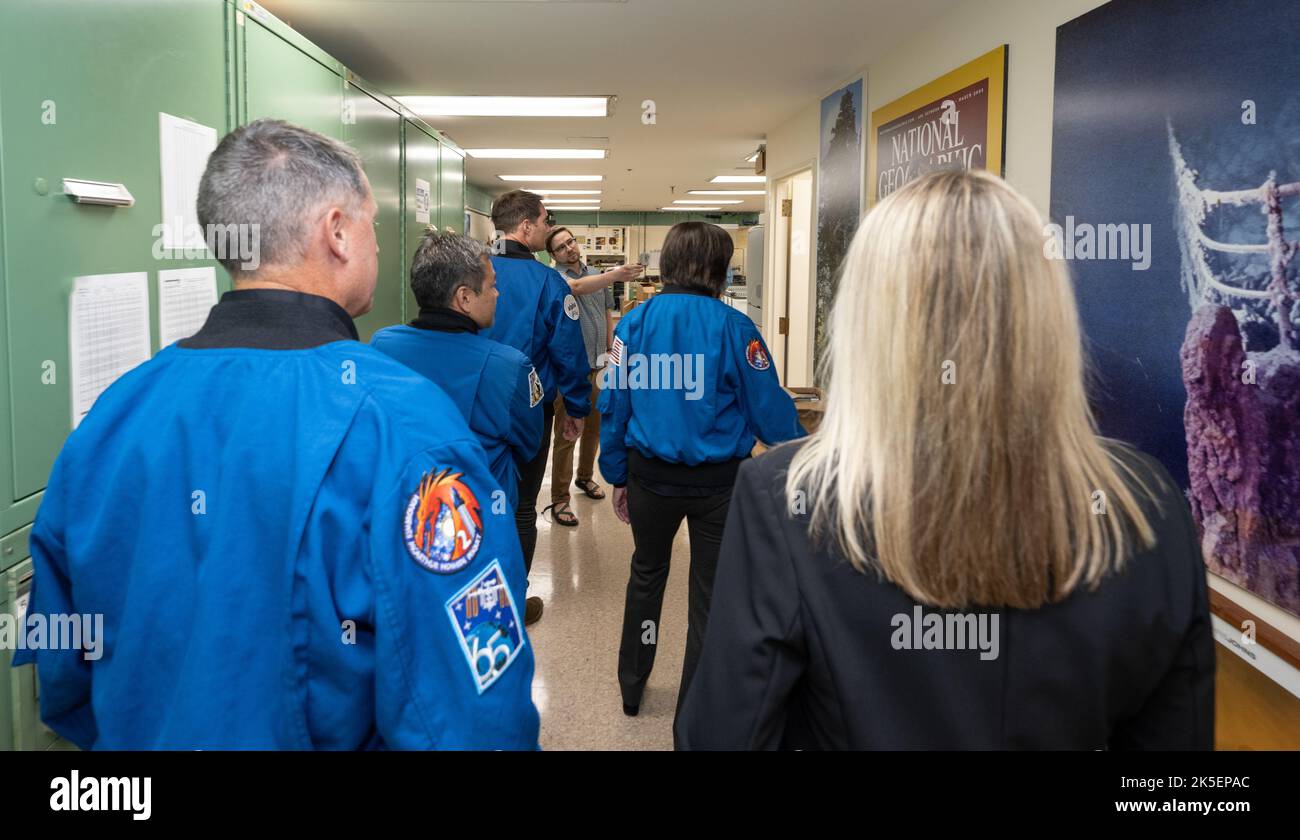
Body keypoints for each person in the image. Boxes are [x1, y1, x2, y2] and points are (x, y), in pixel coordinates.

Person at [13, 119, 539, 749]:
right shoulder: (406, 426)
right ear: (338, 232)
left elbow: (64, 674)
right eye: (371, 225)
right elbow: (475, 706)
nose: (376, 248)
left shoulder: (111, 416)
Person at [676, 170, 1215, 750]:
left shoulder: (789, 497)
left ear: (864, 320)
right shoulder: (1143, 502)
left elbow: (725, 734)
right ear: (1046, 314)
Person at [598, 221, 805, 724]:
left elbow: (615, 402)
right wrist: (806, 456)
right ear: (715, 268)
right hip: (718, 487)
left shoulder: (633, 324)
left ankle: (632, 686)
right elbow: (769, 413)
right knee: (710, 596)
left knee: (647, 577)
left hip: (650, 479)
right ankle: (696, 703)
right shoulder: (736, 329)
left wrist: (617, 473)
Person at [371, 230, 543, 525]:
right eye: (492, 286)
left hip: (402, 513)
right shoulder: (509, 366)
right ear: (464, 297)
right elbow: (529, 444)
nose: (497, 294)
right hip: (479, 518)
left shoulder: (381, 346)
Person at [482, 190, 591, 625]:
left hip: (471, 408)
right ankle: (512, 601)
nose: (548, 228)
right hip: (528, 412)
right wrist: (578, 408)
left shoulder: (471, 271)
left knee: (474, 499)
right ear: (525, 227)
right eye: (545, 221)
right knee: (523, 506)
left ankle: (474, 599)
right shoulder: (549, 283)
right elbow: (567, 352)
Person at [543, 226, 644, 526]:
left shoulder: (596, 274)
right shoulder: (556, 278)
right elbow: (578, 288)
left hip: (599, 365)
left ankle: (584, 478)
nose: (569, 249)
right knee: (566, 433)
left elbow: (606, 315)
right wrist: (613, 275)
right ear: (553, 255)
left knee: (594, 428)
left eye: (570, 242)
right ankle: (559, 498)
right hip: (570, 370)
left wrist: (611, 357)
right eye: (561, 247)